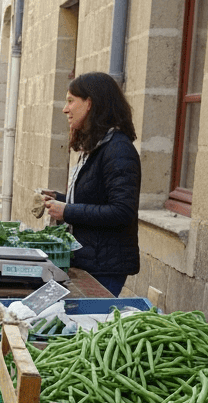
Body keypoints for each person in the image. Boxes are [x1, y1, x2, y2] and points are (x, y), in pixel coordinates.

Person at [40, 72, 140, 298]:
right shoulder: (98, 146)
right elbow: (95, 199)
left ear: (89, 103)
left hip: (104, 268)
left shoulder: (118, 149)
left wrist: (67, 211)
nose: (66, 109)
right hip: (90, 262)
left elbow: (122, 211)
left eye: (70, 101)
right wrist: (59, 200)